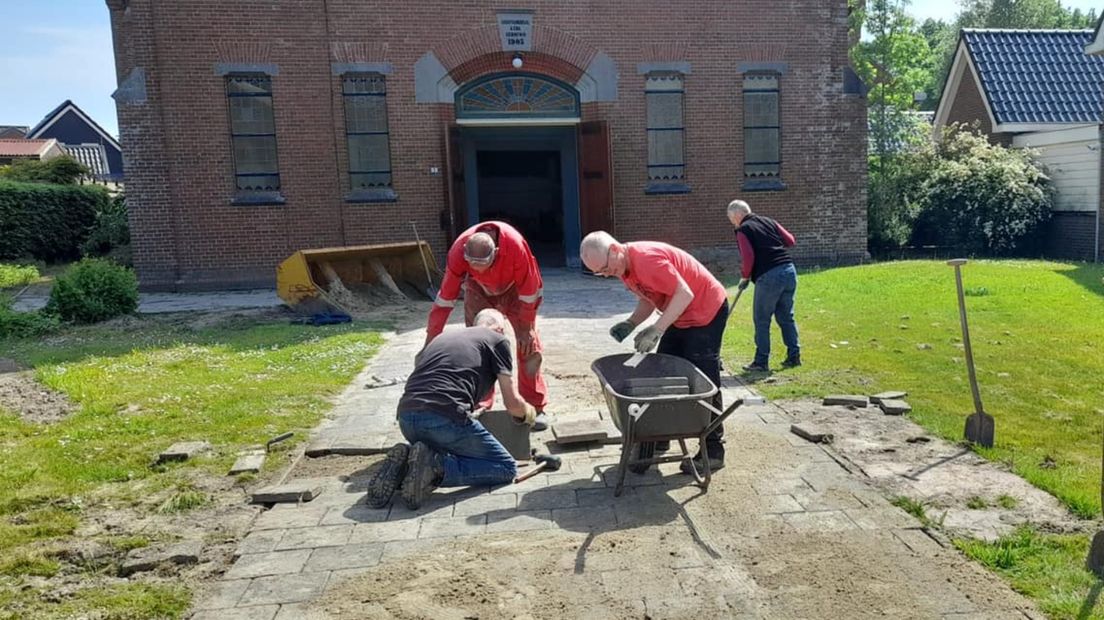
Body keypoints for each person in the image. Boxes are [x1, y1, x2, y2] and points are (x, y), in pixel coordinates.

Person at [579, 231, 729, 473]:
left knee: (704, 378)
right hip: (680, 314)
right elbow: (649, 298)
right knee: (663, 371)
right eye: (599, 272)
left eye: (605, 268)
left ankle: (714, 451)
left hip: (706, 311)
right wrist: (631, 323)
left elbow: (685, 293)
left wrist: (657, 330)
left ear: (616, 250)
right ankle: (662, 436)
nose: (605, 274)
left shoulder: (648, 260)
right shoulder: (623, 267)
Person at [367, 309, 536, 510]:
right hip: (443, 418)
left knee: (437, 451)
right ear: (499, 328)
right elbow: (512, 404)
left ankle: (405, 467)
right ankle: (436, 469)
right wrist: (529, 414)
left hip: (407, 418)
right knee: (506, 468)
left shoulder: (443, 338)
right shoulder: (497, 340)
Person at [426, 221, 549, 431]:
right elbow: (446, 298)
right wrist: (432, 337)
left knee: (528, 346)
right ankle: (482, 404)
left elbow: (529, 291)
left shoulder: (515, 247)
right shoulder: (457, 251)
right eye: (473, 266)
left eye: (483, 265)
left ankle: (534, 406)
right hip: (477, 290)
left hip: (515, 290)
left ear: (497, 253)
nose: (478, 269)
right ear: (465, 255)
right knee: (477, 347)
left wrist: (526, 327)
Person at [727, 200, 800, 372]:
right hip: (789, 270)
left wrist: (744, 277)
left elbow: (748, 257)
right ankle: (794, 355)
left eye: (731, 218)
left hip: (769, 276)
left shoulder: (743, 229)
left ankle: (761, 361)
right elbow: (790, 241)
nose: (732, 222)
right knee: (786, 317)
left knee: (762, 319)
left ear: (737, 215)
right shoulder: (769, 221)